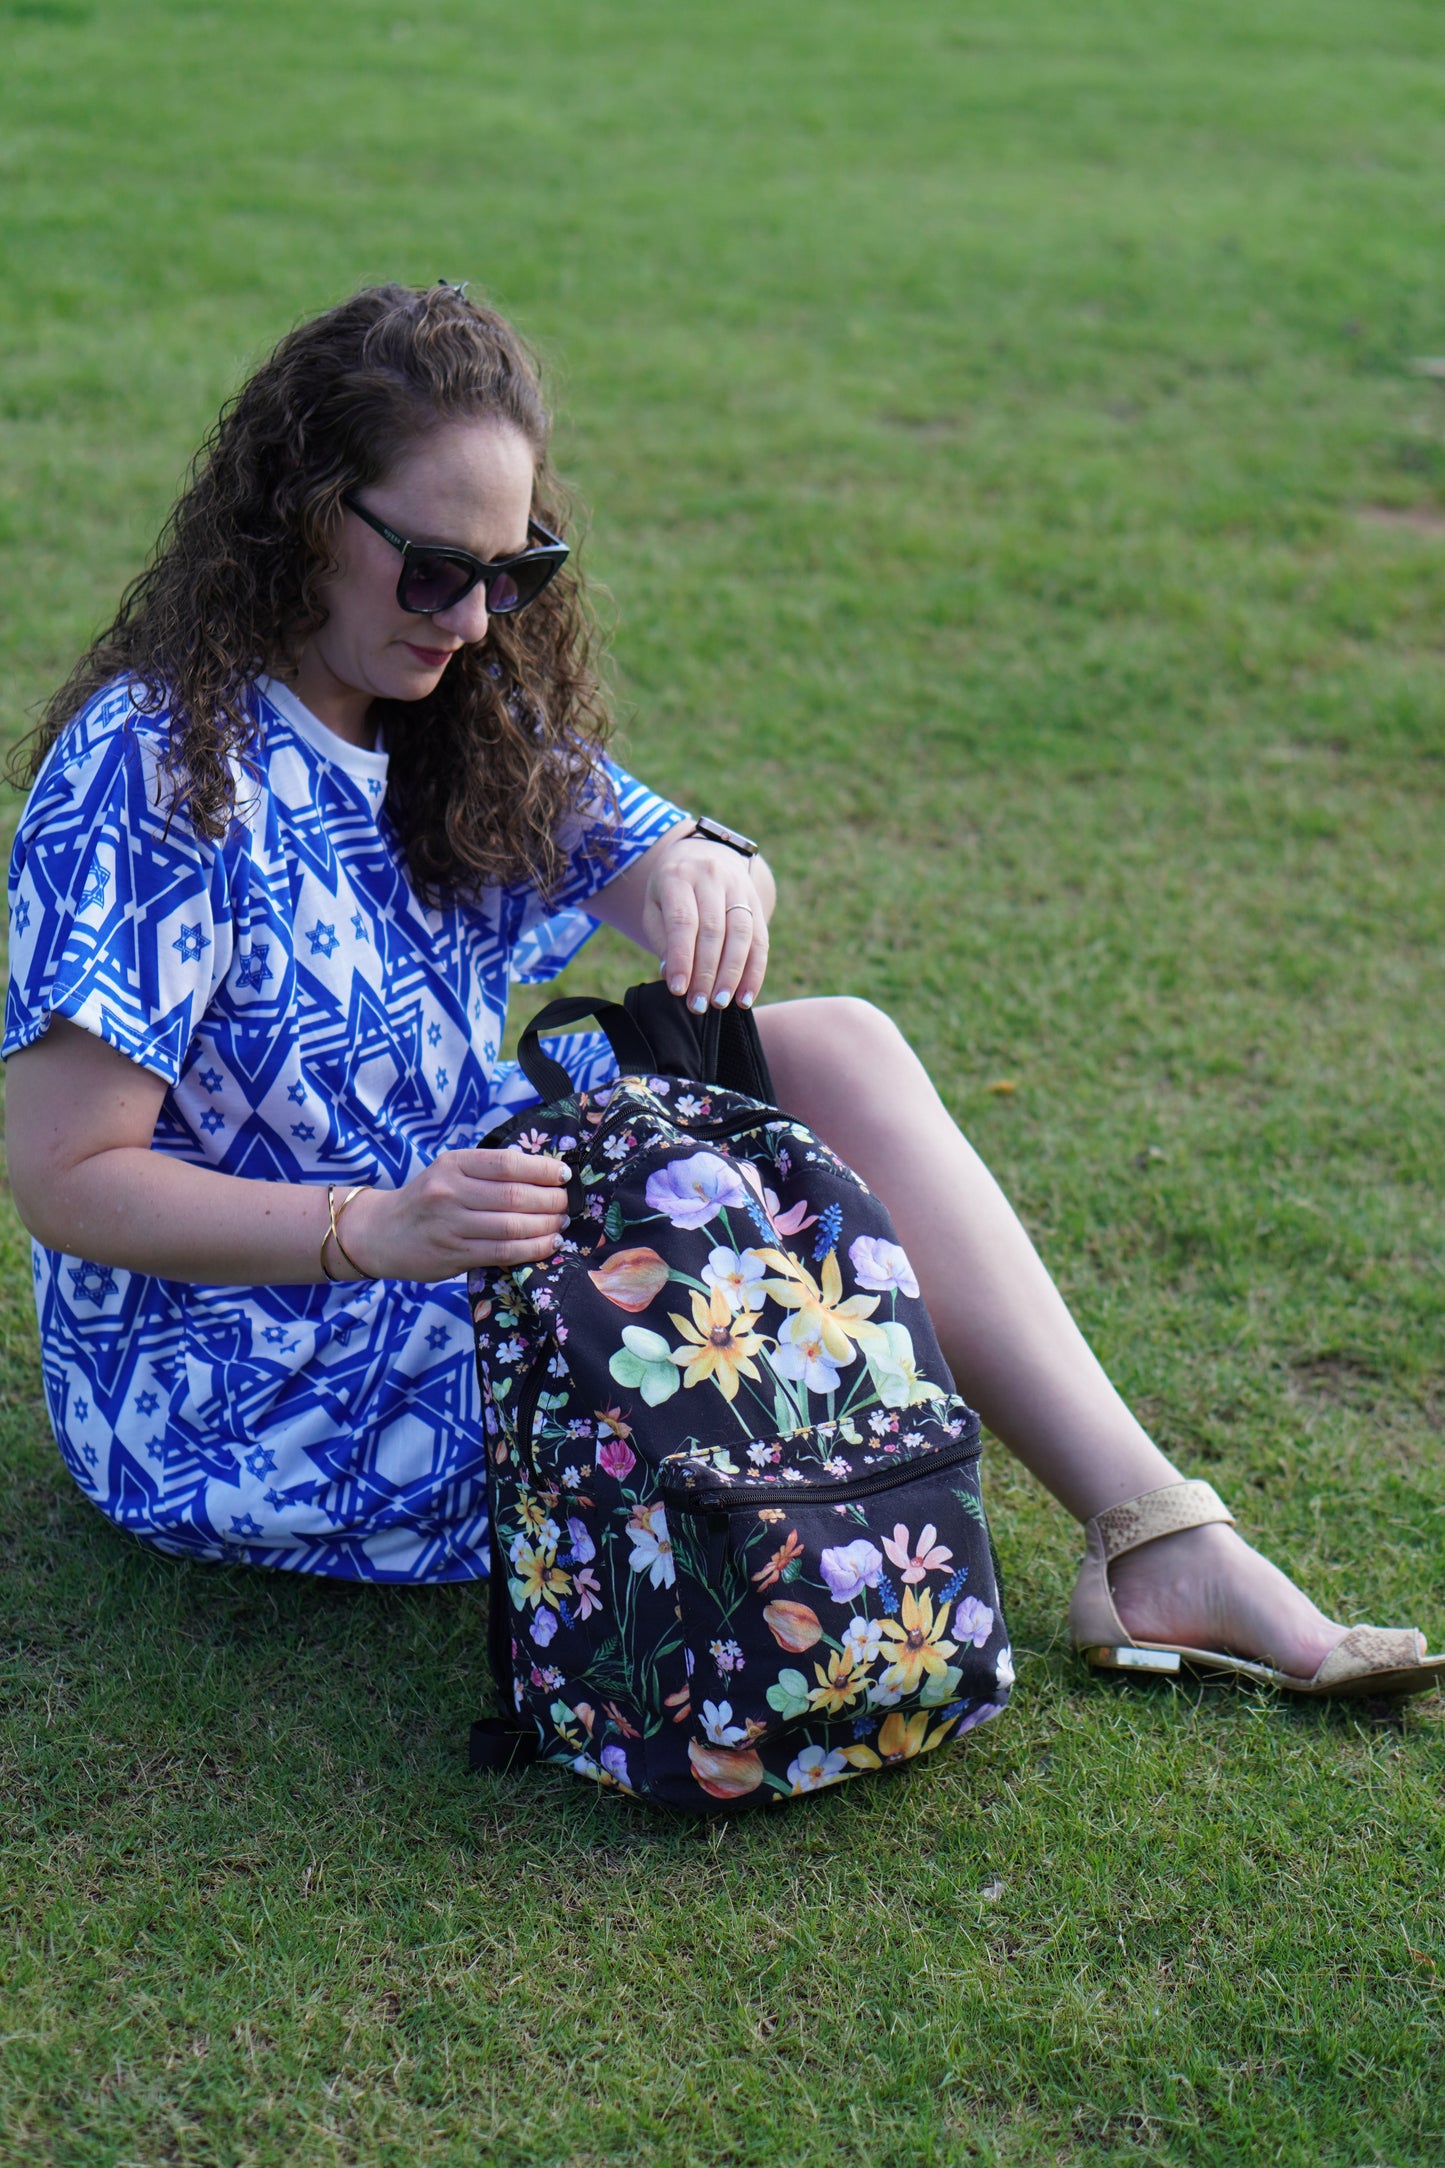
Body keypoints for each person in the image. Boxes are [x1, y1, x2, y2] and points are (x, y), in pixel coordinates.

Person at [5, 282, 1438, 1698]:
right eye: (434, 569)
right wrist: (372, 1228)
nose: (473, 619)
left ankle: (1153, 1535)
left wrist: (709, 860)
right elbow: (66, 1174)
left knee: (834, 1052)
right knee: (730, 1283)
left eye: (516, 576)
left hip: (462, 1239)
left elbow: (648, 847)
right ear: (303, 514)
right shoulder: (154, 770)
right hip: (249, 1391)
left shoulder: (442, 697)